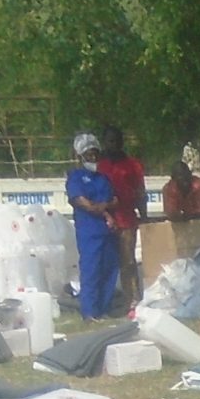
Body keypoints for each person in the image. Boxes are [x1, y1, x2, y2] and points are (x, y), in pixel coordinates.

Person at [63, 131, 122, 321]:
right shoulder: (76, 177)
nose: (93, 157)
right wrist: (103, 210)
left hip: (108, 232)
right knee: (91, 271)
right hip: (90, 232)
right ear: (80, 156)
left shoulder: (103, 178)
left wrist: (105, 207)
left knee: (109, 270)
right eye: (89, 154)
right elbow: (82, 201)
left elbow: (114, 200)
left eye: (95, 153)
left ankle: (103, 309)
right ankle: (89, 313)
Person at [97, 126, 147, 311]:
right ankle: (106, 300)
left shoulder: (132, 165)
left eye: (117, 140)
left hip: (126, 219)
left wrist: (144, 215)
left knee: (128, 260)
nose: (114, 144)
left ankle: (133, 299)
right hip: (104, 219)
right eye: (110, 140)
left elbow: (141, 191)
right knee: (106, 262)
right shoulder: (99, 165)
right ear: (105, 142)